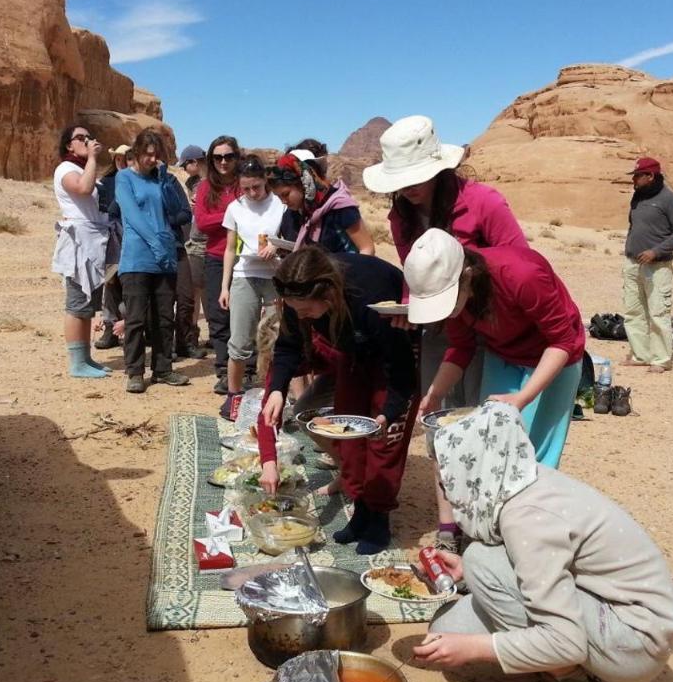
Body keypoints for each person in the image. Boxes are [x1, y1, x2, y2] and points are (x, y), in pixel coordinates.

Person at [413, 401, 673, 682]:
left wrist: (475, 649)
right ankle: (563, 663)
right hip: (609, 608)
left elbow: (565, 641)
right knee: (449, 624)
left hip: (635, 641)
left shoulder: (527, 516)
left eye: (448, 473)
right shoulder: (518, 478)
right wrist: (467, 570)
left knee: (483, 562)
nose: (447, 487)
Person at [364, 114, 531, 546]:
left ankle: (486, 526)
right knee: (440, 420)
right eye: (401, 180)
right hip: (441, 326)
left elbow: (517, 264)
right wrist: (408, 304)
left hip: (488, 328)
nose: (408, 188)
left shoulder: (484, 203)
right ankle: (448, 526)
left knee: (481, 421)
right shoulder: (401, 216)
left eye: (415, 177)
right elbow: (415, 270)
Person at [258, 247, 418, 555]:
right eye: (296, 311)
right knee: (348, 432)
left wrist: (389, 413)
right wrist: (278, 388)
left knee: (384, 443)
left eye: (306, 312)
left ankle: (379, 517)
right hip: (353, 352)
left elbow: (400, 368)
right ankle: (360, 510)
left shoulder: (371, 297)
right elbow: (287, 347)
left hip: (394, 352)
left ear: (328, 294)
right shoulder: (297, 295)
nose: (301, 317)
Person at [405, 228, 584, 465]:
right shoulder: (457, 298)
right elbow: (461, 346)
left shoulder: (521, 274)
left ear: (467, 275)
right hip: (503, 354)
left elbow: (562, 341)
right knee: (492, 443)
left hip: (554, 355)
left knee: (532, 454)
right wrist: (435, 394)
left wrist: (523, 397)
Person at [113, 129, 191, 393]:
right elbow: (133, 216)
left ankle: (163, 368)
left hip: (165, 257)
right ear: (136, 154)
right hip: (137, 257)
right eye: (147, 154)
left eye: (155, 155)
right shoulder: (124, 179)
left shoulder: (162, 180)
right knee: (135, 318)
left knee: (163, 318)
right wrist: (158, 245)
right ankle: (135, 371)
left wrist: (165, 180)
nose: (151, 159)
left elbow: (178, 211)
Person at [218, 155, 286, 418]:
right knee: (239, 341)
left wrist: (276, 245)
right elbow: (229, 249)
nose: (251, 193)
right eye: (245, 188)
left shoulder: (278, 205)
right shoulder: (235, 207)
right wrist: (225, 287)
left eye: (255, 187)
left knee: (274, 339)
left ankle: (273, 394)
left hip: (274, 275)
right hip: (244, 274)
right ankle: (233, 397)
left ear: (265, 180)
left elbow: (291, 237)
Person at [51, 124, 114, 379]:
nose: (87, 141)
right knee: (77, 302)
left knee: (89, 303)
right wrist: (92, 158)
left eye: (89, 137)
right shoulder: (66, 169)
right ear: (69, 145)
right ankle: (77, 362)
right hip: (79, 242)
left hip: (93, 240)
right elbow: (84, 189)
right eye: (80, 138)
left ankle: (86, 358)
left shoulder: (82, 167)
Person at [621, 157, 673, 373]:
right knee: (633, 311)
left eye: (637, 176)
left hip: (657, 266)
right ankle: (641, 355)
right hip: (632, 263)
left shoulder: (670, 200)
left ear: (650, 176)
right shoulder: (637, 197)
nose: (634, 180)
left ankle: (661, 359)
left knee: (658, 313)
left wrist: (655, 251)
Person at [194, 136, 245, 394]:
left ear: (237, 157)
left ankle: (248, 370)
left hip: (246, 259)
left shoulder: (245, 184)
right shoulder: (205, 188)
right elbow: (201, 223)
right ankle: (224, 370)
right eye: (217, 157)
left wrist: (223, 217)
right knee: (218, 315)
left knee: (246, 315)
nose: (223, 162)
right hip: (215, 256)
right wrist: (235, 215)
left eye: (228, 156)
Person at [268, 152, 375, 255]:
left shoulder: (340, 207)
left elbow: (367, 249)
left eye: (286, 194)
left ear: (303, 184)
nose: (283, 201)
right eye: (279, 197)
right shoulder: (309, 212)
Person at [92, 144, 131, 350]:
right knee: (111, 282)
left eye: (126, 158)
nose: (122, 162)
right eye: (119, 159)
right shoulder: (106, 183)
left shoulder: (139, 181)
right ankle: (110, 328)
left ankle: (135, 327)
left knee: (134, 283)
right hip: (113, 239)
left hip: (133, 239)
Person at [179, 145, 209, 358]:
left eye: (186, 165)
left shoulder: (210, 182)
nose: (185, 170)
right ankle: (192, 337)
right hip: (196, 240)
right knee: (197, 291)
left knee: (205, 292)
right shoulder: (192, 183)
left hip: (208, 240)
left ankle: (200, 336)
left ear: (194, 162)